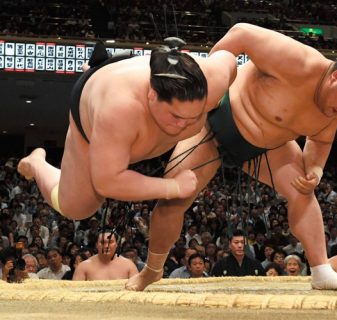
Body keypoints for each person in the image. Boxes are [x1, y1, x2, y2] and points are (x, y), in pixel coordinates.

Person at [126, 23, 337, 291]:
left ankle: (321, 271)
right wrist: (213, 79)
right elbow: (241, 33)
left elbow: (320, 140)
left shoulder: (333, 109)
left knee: (303, 192)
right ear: (336, 76)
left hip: (268, 149)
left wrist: (315, 172)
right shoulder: (300, 62)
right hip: (217, 123)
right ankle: (152, 271)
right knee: (173, 200)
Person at [17, 38, 237, 221]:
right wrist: (172, 187)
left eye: (194, 117)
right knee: (77, 208)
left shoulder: (213, 81)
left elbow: (229, 56)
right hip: (92, 104)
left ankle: (107, 65)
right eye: (176, 116)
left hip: (134, 70)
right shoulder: (118, 110)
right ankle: (37, 161)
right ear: (152, 95)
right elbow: (108, 181)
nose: (183, 125)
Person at [73, 231, 137, 280]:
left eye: (110, 242)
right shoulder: (83, 267)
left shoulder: (129, 265)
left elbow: (137, 293)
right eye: (103, 242)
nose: (106, 246)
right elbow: (75, 294)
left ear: (116, 244)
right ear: (96, 245)